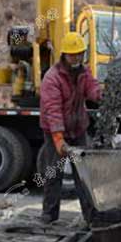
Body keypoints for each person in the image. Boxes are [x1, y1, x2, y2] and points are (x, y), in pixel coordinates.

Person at [39, 32, 101, 224]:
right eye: (72, 54)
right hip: (55, 131)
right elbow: (53, 109)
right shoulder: (52, 78)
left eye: (79, 54)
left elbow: (91, 89)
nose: (76, 58)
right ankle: (49, 214)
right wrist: (58, 138)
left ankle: (91, 216)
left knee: (84, 175)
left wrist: (101, 95)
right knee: (53, 173)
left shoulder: (84, 72)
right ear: (64, 55)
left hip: (78, 128)